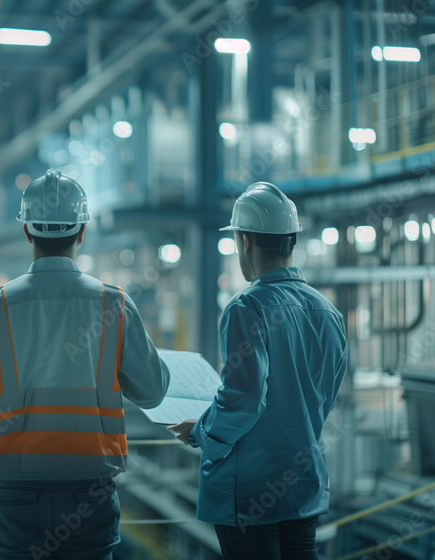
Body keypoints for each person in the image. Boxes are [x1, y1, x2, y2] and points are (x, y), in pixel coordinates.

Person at [0, 169, 170, 560]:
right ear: (81, 231)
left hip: (13, 487)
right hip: (88, 490)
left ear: (27, 232)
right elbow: (153, 391)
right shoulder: (112, 305)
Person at [169, 182, 348, 560]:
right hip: (302, 482)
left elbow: (243, 399)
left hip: (250, 491)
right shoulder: (327, 312)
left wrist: (201, 430)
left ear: (245, 241)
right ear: (291, 240)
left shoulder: (247, 307)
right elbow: (324, 394)